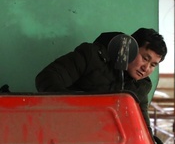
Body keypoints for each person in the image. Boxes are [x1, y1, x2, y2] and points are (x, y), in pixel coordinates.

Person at [35, 28, 167, 130]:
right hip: (66, 131)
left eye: (153, 65)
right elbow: (47, 78)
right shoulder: (93, 56)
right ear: (129, 48)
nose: (146, 68)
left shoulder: (141, 87)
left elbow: (142, 125)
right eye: (145, 58)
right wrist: (76, 109)